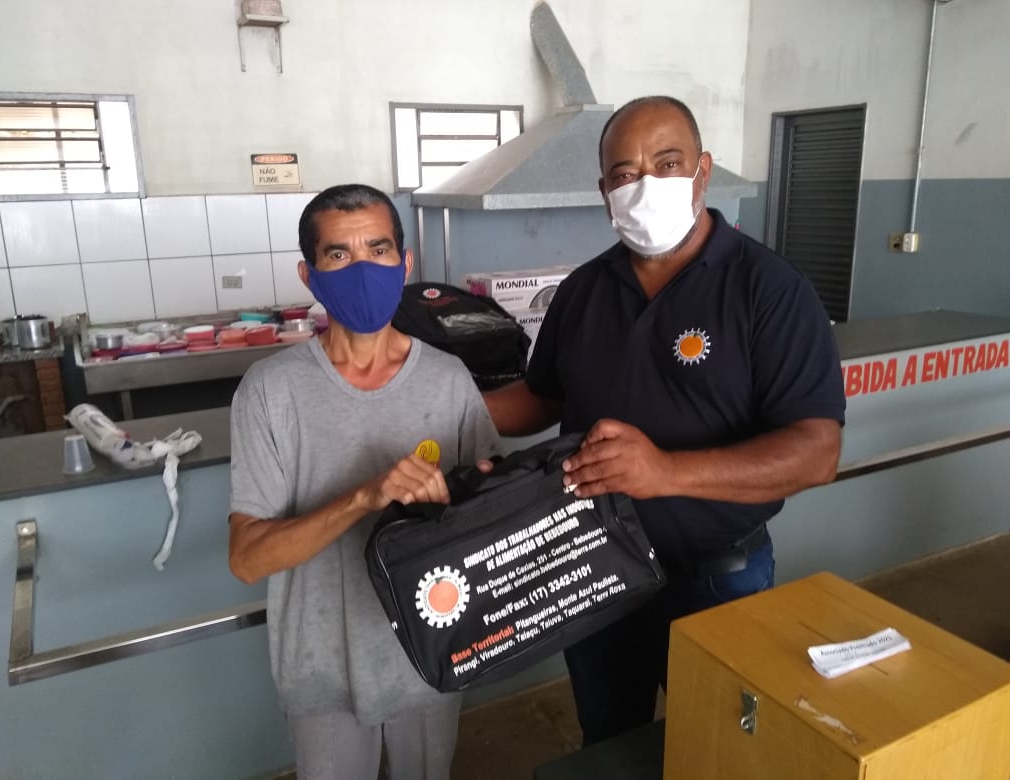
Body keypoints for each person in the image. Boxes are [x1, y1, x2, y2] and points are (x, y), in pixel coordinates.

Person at [482, 96, 846, 745]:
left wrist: (665, 472)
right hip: (593, 564)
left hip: (716, 576)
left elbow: (817, 452)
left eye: (667, 163)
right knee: (607, 742)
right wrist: (442, 402)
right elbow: (544, 397)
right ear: (604, 192)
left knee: (719, 747)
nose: (645, 184)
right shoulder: (584, 290)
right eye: (624, 173)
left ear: (703, 171)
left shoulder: (768, 288)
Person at [228, 184, 501, 779]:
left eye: (378, 250)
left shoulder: (449, 380)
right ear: (309, 274)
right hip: (322, 671)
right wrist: (365, 496)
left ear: (405, 263)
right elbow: (248, 558)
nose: (363, 269)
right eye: (339, 254)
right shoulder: (270, 392)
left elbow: (486, 524)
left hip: (430, 658)